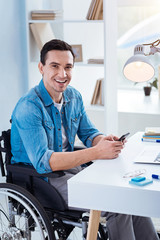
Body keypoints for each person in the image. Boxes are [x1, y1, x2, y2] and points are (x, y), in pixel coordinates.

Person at [11, 39, 159, 240]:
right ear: (41, 67)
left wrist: (104, 141)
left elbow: (89, 134)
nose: (62, 74)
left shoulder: (73, 97)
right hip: (43, 179)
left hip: (72, 170)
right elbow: (44, 162)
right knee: (118, 206)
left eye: (68, 67)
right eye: (55, 66)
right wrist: (96, 152)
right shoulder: (29, 107)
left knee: (130, 197)